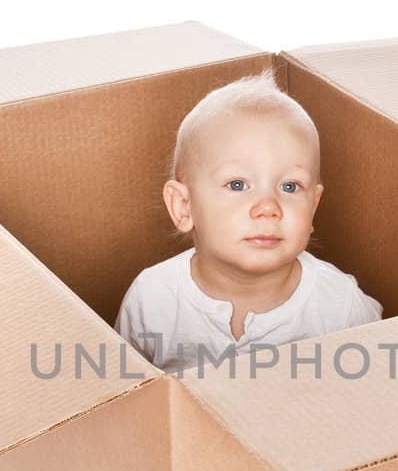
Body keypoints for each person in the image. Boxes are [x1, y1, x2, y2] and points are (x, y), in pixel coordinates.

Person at [114, 69, 382, 375]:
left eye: (290, 186)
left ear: (313, 207)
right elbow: (125, 395)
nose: (268, 207)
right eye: (238, 184)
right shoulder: (151, 299)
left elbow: (377, 387)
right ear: (184, 206)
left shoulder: (340, 305)